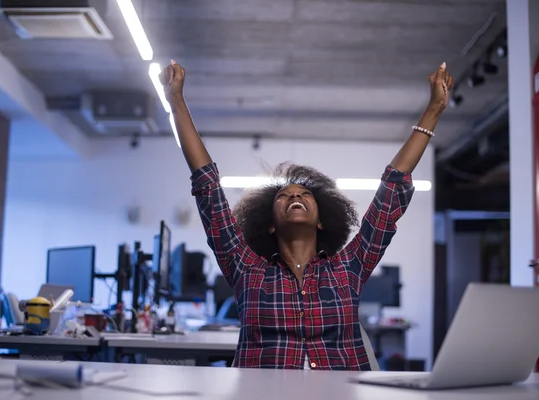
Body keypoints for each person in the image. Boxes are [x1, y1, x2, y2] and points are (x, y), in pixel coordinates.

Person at [161, 60, 454, 370]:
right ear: (270, 224)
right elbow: (208, 187)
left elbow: (392, 193)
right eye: (284, 196)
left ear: (322, 220)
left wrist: (434, 109)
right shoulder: (246, 268)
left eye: (304, 195)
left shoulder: (348, 267)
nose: (295, 196)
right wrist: (176, 100)